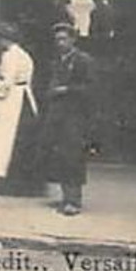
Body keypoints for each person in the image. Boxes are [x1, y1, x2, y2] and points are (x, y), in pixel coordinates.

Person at [0, 22, 43, 196]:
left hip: (13, 100)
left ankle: (6, 183)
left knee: (5, 140)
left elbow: (7, 81)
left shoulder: (10, 55)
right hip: (23, 97)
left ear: (4, 39)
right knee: (19, 141)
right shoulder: (24, 54)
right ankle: (23, 184)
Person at [41, 21, 93, 215]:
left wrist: (67, 89)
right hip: (57, 115)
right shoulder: (57, 61)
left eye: (64, 39)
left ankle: (74, 201)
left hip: (75, 116)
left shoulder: (83, 60)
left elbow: (91, 88)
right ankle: (65, 197)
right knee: (60, 157)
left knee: (74, 157)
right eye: (57, 40)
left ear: (72, 39)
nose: (60, 43)